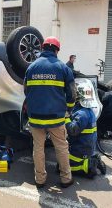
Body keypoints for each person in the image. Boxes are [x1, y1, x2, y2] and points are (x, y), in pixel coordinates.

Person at [24, 36, 76, 189]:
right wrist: (69, 109)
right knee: (61, 146)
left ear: (43, 48)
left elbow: (26, 91)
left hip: (35, 118)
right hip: (56, 118)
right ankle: (66, 179)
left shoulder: (31, 67)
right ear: (56, 50)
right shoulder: (63, 68)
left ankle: (40, 180)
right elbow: (72, 94)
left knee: (38, 147)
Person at [64, 81, 106, 178]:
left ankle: (90, 165)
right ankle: (93, 158)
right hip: (87, 147)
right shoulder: (89, 111)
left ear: (78, 97)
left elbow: (72, 130)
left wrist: (66, 119)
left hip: (79, 149)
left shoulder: (82, 114)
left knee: (64, 167)